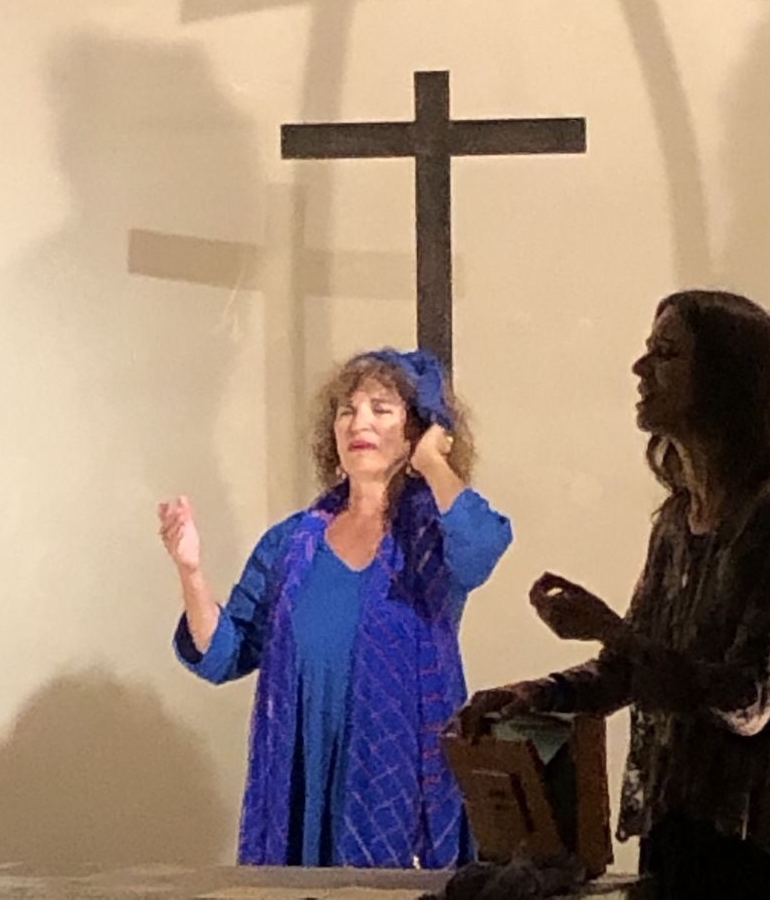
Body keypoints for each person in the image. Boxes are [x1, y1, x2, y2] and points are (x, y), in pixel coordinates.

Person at [458, 291, 770, 900]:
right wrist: (531, 696)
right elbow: (629, 673)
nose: (641, 370)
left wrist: (609, 628)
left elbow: (747, 698)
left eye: (666, 354)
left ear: (723, 379)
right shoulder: (675, 521)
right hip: (681, 835)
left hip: (760, 852)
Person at [158, 348, 512, 869]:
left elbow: (482, 547)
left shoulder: (430, 535)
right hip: (303, 774)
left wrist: (434, 462)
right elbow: (222, 653)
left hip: (397, 777)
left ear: (417, 429)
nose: (358, 422)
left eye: (381, 409)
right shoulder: (290, 542)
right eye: (347, 410)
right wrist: (191, 570)